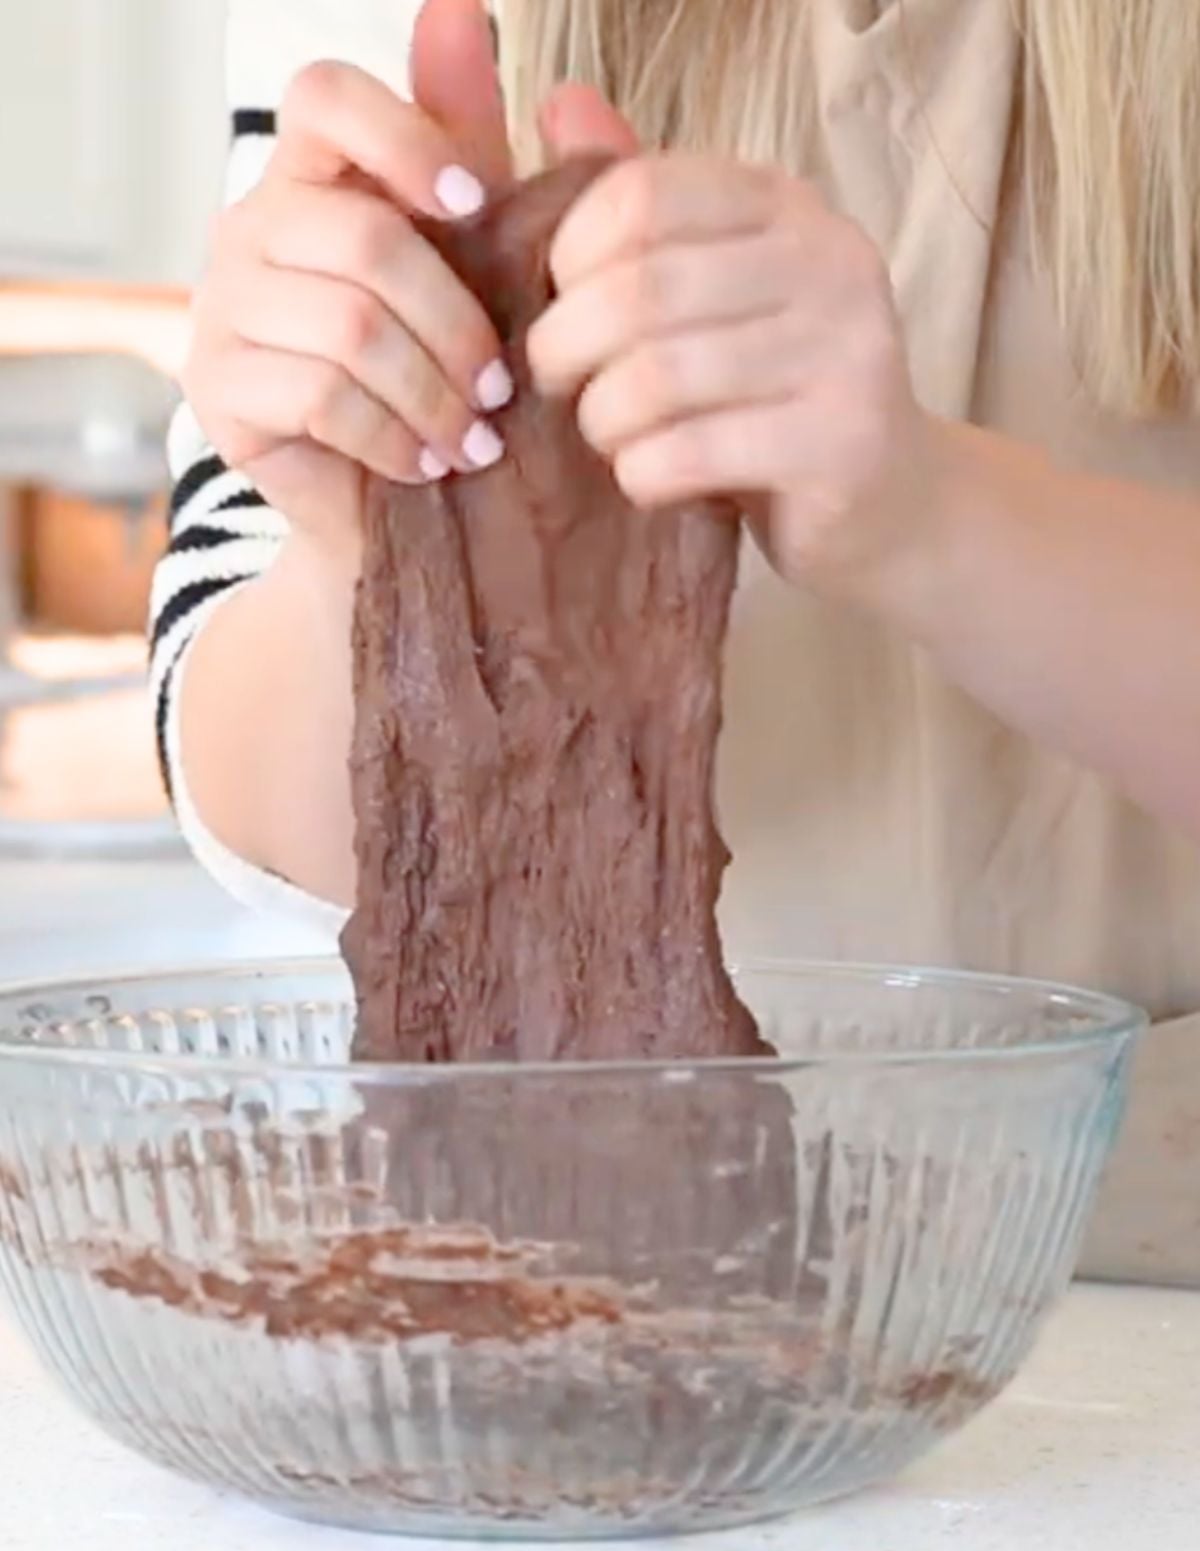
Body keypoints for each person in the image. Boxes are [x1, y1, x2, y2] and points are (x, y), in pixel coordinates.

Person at [150, 0, 1200, 1286]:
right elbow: (246, 799)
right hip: (581, 1292)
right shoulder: (387, 39)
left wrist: (926, 513)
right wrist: (377, 554)